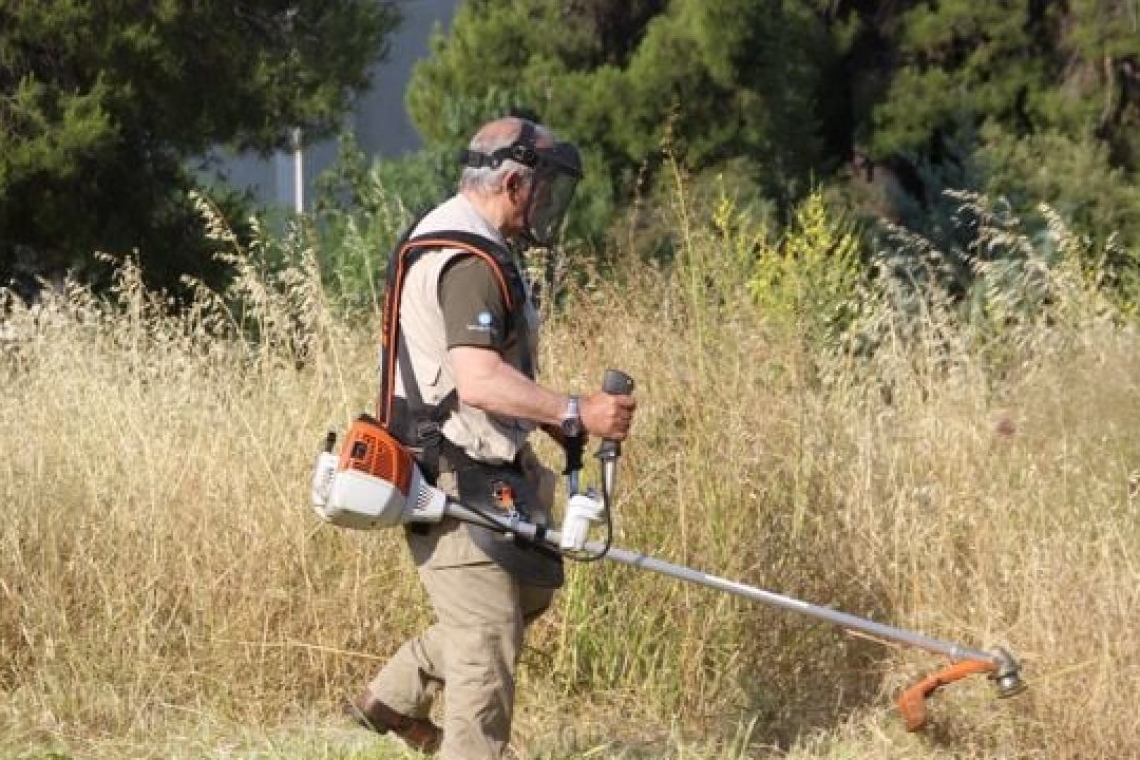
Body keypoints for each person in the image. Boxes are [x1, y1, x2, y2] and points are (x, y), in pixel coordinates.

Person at [347, 116, 636, 758]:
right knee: (486, 647)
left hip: (483, 470)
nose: (548, 207)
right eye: (545, 190)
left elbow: (478, 379)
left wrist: (552, 417)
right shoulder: (470, 260)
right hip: (453, 477)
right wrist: (574, 410)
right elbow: (477, 381)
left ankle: (393, 696)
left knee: (525, 592)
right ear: (512, 182)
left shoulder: (465, 239)